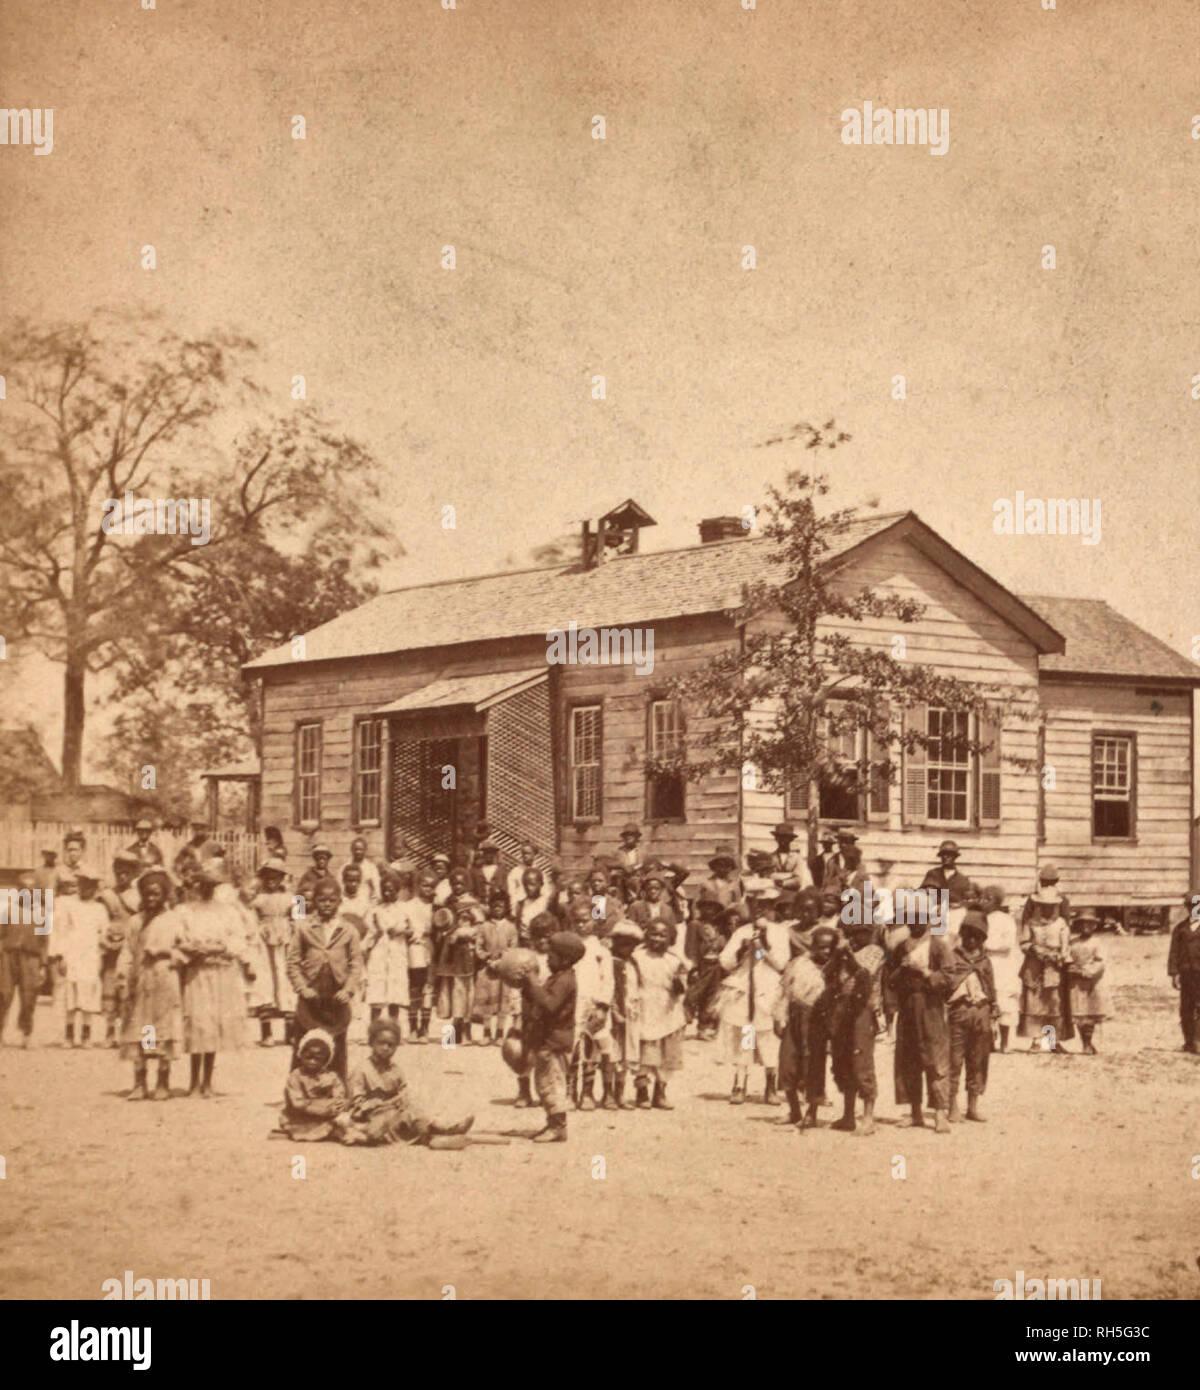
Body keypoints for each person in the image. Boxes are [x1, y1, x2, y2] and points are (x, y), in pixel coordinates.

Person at [176, 858, 252, 1097]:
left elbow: (239, 941)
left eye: (211, 885)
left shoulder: (228, 912)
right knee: (197, 1023)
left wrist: (220, 949)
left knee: (213, 1025)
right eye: (202, 884)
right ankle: (192, 1082)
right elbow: (178, 940)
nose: (206, 888)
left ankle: (207, 1081)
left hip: (219, 972)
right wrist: (191, 949)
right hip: (197, 972)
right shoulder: (185, 911)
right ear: (196, 885)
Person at [341, 1017, 474, 1145]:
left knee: (416, 1115)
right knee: (398, 1120)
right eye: (381, 1043)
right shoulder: (362, 1069)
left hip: (395, 1115)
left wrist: (402, 1100)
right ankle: (441, 1132)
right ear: (371, 1043)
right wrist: (374, 1103)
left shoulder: (395, 1070)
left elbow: (404, 1092)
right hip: (372, 1117)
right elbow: (356, 1104)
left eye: (391, 1045)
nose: (386, 1048)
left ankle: (444, 1134)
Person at [116, 868, 186, 1100]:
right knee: (144, 1028)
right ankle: (140, 1081)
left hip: (166, 979)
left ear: (164, 894)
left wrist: (166, 953)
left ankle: (163, 1082)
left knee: (164, 1029)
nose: (151, 898)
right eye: (147, 894)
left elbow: (187, 951)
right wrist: (123, 976)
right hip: (142, 980)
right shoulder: (136, 922)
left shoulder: (174, 920)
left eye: (156, 894)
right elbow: (127, 950)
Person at [286, 874, 364, 1080]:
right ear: (314, 901)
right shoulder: (303, 928)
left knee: (337, 1041)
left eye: (331, 900)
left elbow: (356, 964)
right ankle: (300, 1089)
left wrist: (348, 990)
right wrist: (303, 988)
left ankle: (336, 1091)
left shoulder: (348, 930)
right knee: (305, 1041)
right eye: (322, 900)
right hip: (312, 993)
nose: (327, 904)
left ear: (339, 901)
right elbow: (292, 962)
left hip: (336, 994)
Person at [891, 891, 957, 1133]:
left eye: (920, 917)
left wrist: (926, 973)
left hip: (930, 1006)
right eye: (910, 917)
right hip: (908, 1006)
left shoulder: (938, 945)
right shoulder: (901, 947)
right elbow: (891, 979)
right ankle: (915, 1112)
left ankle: (940, 1113)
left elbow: (950, 977)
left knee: (935, 1057)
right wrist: (902, 969)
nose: (915, 922)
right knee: (909, 1058)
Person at [718, 889, 790, 1105]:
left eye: (765, 905)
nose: (760, 910)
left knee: (768, 1038)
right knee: (746, 1036)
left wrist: (761, 949)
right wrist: (742, 951)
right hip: (744, 988)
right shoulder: (742, 931)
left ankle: (770, 1084)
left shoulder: (779, 932)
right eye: (755, 904)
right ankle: (740, 1082)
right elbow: (726, 961)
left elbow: (780, 963)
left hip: (767, 989)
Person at [518, 930, 585, 1143]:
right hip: (548, 1040)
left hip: (556, 1041)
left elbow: (549, 1004)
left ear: (564, 959)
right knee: (544, 1082)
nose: (547, 958)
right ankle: (551, 1123)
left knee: (552, 1084)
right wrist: (527, 987)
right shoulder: (558, 977)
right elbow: (539, 999)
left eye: (552, 955)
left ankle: (558, 1126)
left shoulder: (565, 980)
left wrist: (532, 982)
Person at [775, 927, 835, 1128]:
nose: (826, 952)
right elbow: (785, 991)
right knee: (787, 1063)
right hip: (795, 1015)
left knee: (813, 1065)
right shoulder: (799, 964)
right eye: (822, 947)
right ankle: (794, 1110)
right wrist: (779, 1017)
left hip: (817, 1020)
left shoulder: (833, 969)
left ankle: (812, 1112)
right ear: (813, 946)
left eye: (830, 948)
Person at [630, 919, 688, 1110]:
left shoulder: (674, 960)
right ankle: (642, 1091)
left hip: (668, 1009)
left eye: (663, 935)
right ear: (646, 935)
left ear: (670, 938)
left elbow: (682, 988)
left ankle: (660, 1091)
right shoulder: (637, 957)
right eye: (653, 934)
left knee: (666, 1055)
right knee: (645, 1053)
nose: (657, 939)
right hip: (645, 1007)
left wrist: (680, 983)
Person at [946, 911, 997, 1122]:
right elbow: (947, 984)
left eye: (977, 936)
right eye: (968, 935)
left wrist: (993, 1010)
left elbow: (991, 988)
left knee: (978, 1060)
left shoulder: (986, 962)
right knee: (954, 1060)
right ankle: (952, 1106)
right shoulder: (953, 958)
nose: (972, 940)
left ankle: (973, 1106)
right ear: (962, 935)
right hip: (959, 1012)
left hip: (981, 1012)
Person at [568, 899, 615, 1109]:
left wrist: (603, 1006)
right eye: (576, 921)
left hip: (595, 1005)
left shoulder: (601, 950)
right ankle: (570, 1091)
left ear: (594, 922)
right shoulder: (568, 946)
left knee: (595, 1047)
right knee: (573, 1047)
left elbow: (608, 980)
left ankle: (588, 1092)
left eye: (585, 921)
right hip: (574, 1004)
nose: (581, 925)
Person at [55, 871, 106, 1048]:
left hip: (91, 956)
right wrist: (62, 956)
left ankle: (86, 1035)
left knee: (88, 995)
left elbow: (104, 933)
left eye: (89, 886)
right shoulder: (70, 906)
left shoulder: (100, 909)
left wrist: (101, 952)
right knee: (71, 995)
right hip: (73, 955)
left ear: (95, 888)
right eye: (83, 885)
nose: (86, 890)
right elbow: (62, 932)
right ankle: (69, 1035)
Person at [1018, 887, 1071, 1052]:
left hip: (1053, 968)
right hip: (1034, 966)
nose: (1048, 909)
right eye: (1044, 905)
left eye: (1051, 906)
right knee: (1034, 1001)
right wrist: (1034, 949)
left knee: (1053, 1002)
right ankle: (1036, 1040)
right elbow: (1023, 943)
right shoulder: (1031, 923)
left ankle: (1051, 1040)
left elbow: (1066, 945)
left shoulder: (1061, 923)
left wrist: (1060, 956)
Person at [276, 1029, 353, 1142]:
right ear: (301, 1055)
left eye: (317, 1059)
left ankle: (334, 1129)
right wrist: (321, 1110)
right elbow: (298, 1103)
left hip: (327, 1112)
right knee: (299, 1127)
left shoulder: (331, 1076)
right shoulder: (296, 1076)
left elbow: (338, 1093)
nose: (312, 1061)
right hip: (304, 1114)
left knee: (346, 1117)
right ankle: (328, 1130)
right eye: (308, 1057)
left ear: (325, 1060)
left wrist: (339, 1103)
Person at [0, 874, 49, 1048]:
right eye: (23, 890)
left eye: (30, 891)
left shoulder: (42, 913)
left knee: (29, 997)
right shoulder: (9, 910)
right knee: (4, 994)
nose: (27, 894)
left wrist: (43, 966)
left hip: (31, 958)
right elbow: (1, 935)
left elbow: (45, 942)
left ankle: (26, 1034)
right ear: (18, 892)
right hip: (9, 956)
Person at [251, 859, 296, 1046]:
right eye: (268, 876)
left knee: (287, 983)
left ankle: (291, 1032)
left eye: (276, 876)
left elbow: (301, 920)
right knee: (265, 983)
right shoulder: (257, 898)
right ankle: (267, 1033)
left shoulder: (293, 897)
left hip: (285, 943)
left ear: (282, 878)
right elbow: (251, 920)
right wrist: (259, 928)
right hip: (263, 945)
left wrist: (292, 928)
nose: (271, 879)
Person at [98, 851, 141, 1046]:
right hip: (111, 948)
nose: (122, 876)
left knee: (128, 991)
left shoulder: (138, 895)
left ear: (133, 873)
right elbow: (99, 919)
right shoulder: (107, 895)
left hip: (131, 948)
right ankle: (109, 1032)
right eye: (119, 872)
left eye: (127, 872)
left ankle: (127, 1032)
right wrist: (106, 938)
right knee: (110, 988)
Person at [364, 870, 410, 1032]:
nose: (388, 893)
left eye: (391, 890)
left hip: (397, 953)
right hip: (379, 953)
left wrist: (401, 931)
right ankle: (373, 1031)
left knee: (394, 995)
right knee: (377, 992)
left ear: (398, 891)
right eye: (385, 890)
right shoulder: (375, 910)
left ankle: (393, 1031)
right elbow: (368, 934)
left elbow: (414, 931)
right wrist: (375, 934)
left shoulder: (404, 909)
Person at [433, 901, 482, 1045]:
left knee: (470, 999)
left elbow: (475, 932)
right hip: (458, 971)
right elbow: (453, 939)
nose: (464, 921)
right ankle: (455, 1033)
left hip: (472, 971)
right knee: (457, 1000)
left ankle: (466, 1031)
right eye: (462, 917)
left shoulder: (475, 930)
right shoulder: (454, 931)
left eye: (467, 918)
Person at [474, 889, 518, 1044]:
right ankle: (486, 1033)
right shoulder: (483, 927)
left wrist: (501, 961)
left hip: (503, 970)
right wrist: (487, 960)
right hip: (487, 969)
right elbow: (478, 947)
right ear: (490, 907)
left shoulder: (511, 927)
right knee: (487, 1001)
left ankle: (499, 1034)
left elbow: (513, 947)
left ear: (506, 907)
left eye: (501, 905)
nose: (498, 908)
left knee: (502, 1002)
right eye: (494, 905)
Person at [980, 884, 1021, 1052]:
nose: (985, 902)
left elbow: (1008, 943)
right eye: (983, 898)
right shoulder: (981, 918)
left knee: (1005, 1002)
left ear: (997, 901)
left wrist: (987, 945)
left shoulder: (1006, 920)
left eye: (988, 899)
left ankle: (1005, 1042)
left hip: (1003, 965)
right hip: (986, 963)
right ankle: (989, 1040)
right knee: (987, 1000)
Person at [607, 921, 643, 1109]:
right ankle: (610, 1093)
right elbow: (608, 989)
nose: (626, 948)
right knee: (614, 1053)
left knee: (627, 1054)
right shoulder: (611, 962)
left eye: (630, 944)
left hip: (632, 1013)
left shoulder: (633, 963)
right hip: (616, 1013)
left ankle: (620, 1093)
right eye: (622, 943)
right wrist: (614, 1011)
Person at [684, 900, 730, 1040]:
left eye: (713, 907)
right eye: (706, 906)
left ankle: (705, 1027)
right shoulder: (695, 925)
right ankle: (684, 1019)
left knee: (712, 996)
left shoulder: (721, 926)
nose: (710, 910)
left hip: (718, 965)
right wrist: (694, 967)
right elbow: (691, 948)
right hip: (702, 965)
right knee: (695, 994)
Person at [1065, 910, 1107, 1055]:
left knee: (1090, 1013)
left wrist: (1087, 972)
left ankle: (1088, 1043)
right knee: (1079, 1012)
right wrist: (1071, 968)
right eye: (1082, 923)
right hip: (1076, 983)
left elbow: (1100, 962)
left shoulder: (1097, 942)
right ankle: (1084, 1043)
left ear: (1095, 926)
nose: (1086, 927)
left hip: (1091, 983)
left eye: (1089, 924)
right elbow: (1067, 958)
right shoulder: (1072, 943)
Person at [402, 871, 437, 1043]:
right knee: (414, 988)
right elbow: (403, 926)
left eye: (431, 886)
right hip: (414, 949)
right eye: (424, 885)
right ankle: (412, 1027)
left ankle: (425, 1028)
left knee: (428, 988)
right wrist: (412, 933)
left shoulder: (436, 906)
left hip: (430, 949)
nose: (428, 889)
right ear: (418, 886)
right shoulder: (408, 906)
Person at [1168, 893, 1200, 1053]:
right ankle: (1188, 1041)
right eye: (1191, 906)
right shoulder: (1180, 928)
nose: (1195, 909)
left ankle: (1198, 1041)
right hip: (1186, 973)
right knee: (1186, 1007)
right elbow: (1173, 952)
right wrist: (1174, 974)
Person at [920, 839, 972, 911]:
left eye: (949, 854)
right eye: (943, 854)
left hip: (955, 916)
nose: (946, 857)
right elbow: (924, 894)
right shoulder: (933, 874)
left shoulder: (963, 880)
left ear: (955, 857)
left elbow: (967, 901)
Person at [698, 844, 744, 913]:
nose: (723, 869)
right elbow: (696, 905)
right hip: (708, 918)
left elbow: (738, 905)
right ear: (714, 866)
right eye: (720, 865)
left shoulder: (734, 885)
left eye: (727, 866)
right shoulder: (705, 883)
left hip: (726, 918)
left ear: (731, 868)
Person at [340, 836, 381, 904]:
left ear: (365, 850)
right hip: (347, 902)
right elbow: (340, 887)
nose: (358, 852)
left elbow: (377, 890)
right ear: (352, 850)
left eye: (361, 849)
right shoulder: (344, 867)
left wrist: (372, 904)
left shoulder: (371, 868)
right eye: (356, 849)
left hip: (365, 904)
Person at [506, 842, 539, 909]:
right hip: (520, 906)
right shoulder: (515, 872)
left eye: (528, 853)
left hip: (536, 906)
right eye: (523, 853)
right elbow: (511, 892)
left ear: (534, 854)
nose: (525, 856)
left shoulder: (539, 872)